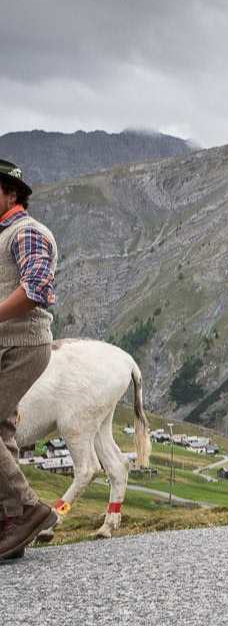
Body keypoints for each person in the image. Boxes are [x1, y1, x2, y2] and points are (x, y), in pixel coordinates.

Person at [0, 160, 60, 561]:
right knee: (1, 426)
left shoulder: (28, 232)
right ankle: (11, 524)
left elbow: (36, 288)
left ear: (10, 192)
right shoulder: (6, 235)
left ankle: (27, 510)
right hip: (8, 344)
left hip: (22, 344)